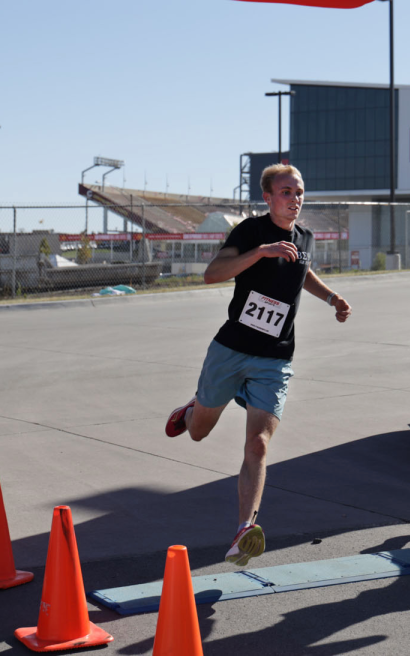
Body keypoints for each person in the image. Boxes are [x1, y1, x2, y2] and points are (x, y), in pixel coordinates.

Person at [165, 164, 352, 567]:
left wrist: (332, 297)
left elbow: (301, 271)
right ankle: (194, 408)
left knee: (258, 443)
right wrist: (261, 252)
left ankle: (243, 530)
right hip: (231, 350)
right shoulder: (250, 232)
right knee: (198, 433)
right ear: (268, 197)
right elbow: (212, 275)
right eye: (286, 191)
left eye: (299, 191)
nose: (295, 199)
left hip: (275, 358)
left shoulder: (305, 236)